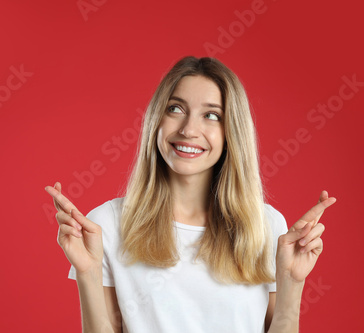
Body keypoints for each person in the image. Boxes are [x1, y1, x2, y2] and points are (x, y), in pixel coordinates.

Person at [44, 56, 336, 333]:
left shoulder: (266, 225)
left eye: (211, 115)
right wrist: (88, 273)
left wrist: (292, 282)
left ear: (231, 132)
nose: (189, 129)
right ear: (156, 120)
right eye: (175, 109)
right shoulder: (107, 224)